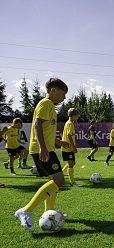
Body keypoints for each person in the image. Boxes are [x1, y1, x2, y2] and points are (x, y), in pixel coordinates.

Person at [15, 78, 70, 232]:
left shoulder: (50, 106)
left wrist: (59, 142)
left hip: (48, 148)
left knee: (53, 181)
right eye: (62, 94)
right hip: (42, 149)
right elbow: (37, 125)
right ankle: (26, 210)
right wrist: (42, 148)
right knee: (59, 181)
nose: (64, 98)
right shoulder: (46, 104)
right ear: (53, 90)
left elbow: (46, 130)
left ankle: (49, 212)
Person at [61, 108, 81, 187]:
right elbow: (69, 135)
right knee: (71, 164)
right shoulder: (70, 124)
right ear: (73, 116)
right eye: (77, 116)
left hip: (68, 147)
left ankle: (61, 174)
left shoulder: (69, 123)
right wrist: (73, 147)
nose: (77, 118)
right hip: (68, 147)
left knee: (73, 162)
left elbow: (70, 134)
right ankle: (72, 182)